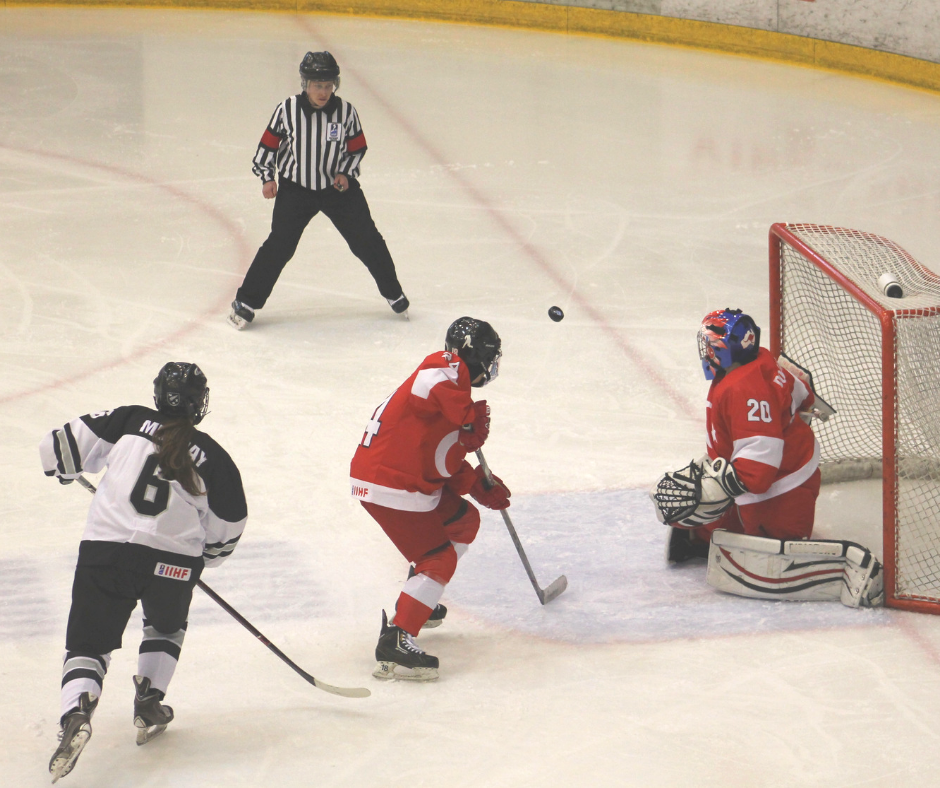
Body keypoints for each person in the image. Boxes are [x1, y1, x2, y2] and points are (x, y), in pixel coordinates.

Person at [41, 363, 247, 783]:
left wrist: (65, 471)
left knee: (89, 645)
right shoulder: (216, 459)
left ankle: (76, 713)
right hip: (173, 563)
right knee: (165, 629)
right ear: (198, 403)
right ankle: (149, 701)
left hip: (106, 551)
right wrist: (196, 558)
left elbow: (55, 448)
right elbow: (228, 531)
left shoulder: (128, 421)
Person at [649, 309, 883, 608]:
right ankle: (701, 535)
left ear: (729, 349)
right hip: (754, 469)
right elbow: (800, 388)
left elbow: (760, 463)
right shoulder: (759, 359)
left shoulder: (745, 390)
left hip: (784, 483)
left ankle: (844, 572)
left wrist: (720, 485)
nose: (706, 350)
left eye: (711, 344)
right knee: (729, 519)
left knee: (775, 549)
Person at [350, 317, 509, 681]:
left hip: (401, 474)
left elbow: (438, 456)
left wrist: (475, 482)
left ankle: (418, 598)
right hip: (391, 484)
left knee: (463, 521)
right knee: (438, 558)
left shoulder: (452, 384)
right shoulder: (444, 369)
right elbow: (433, 382)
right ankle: (398, 637)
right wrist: (466, 419)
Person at [229, 51, 408, 329]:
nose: (323, 92)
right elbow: (267, 147)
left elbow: (357, 147)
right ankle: (246, 302)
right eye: (317, 85)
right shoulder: (286, 110)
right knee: (279, 246)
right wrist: (267, 177)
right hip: (296, 190)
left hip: (337, 190)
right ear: (305, 84)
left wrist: (346, 173)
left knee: (367, 239)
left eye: (328, 85)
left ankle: (394, 292)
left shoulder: (346, 112)